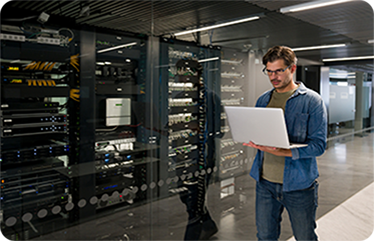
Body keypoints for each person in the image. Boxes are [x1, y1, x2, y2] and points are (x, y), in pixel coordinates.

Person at [243, 46, 327, 241]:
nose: (273, 76)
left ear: (292, 68)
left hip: (299, 184)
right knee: (265, 236)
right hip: (265, 183)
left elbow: (319, 146)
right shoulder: (263, 100)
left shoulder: (312, 101)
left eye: (279, 70)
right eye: (269, 71)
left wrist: (285, 152)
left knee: (304, 237)